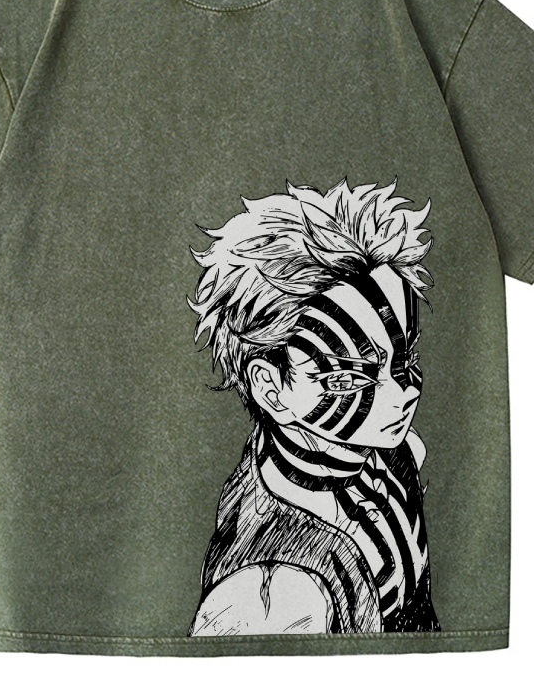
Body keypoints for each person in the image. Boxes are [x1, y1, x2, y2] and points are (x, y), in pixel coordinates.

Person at [187, 178, 441, 636]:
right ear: (271, 387)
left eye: (405, 360)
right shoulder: (271, 595)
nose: (402, 392)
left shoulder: (382, 449)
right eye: (349, 377)